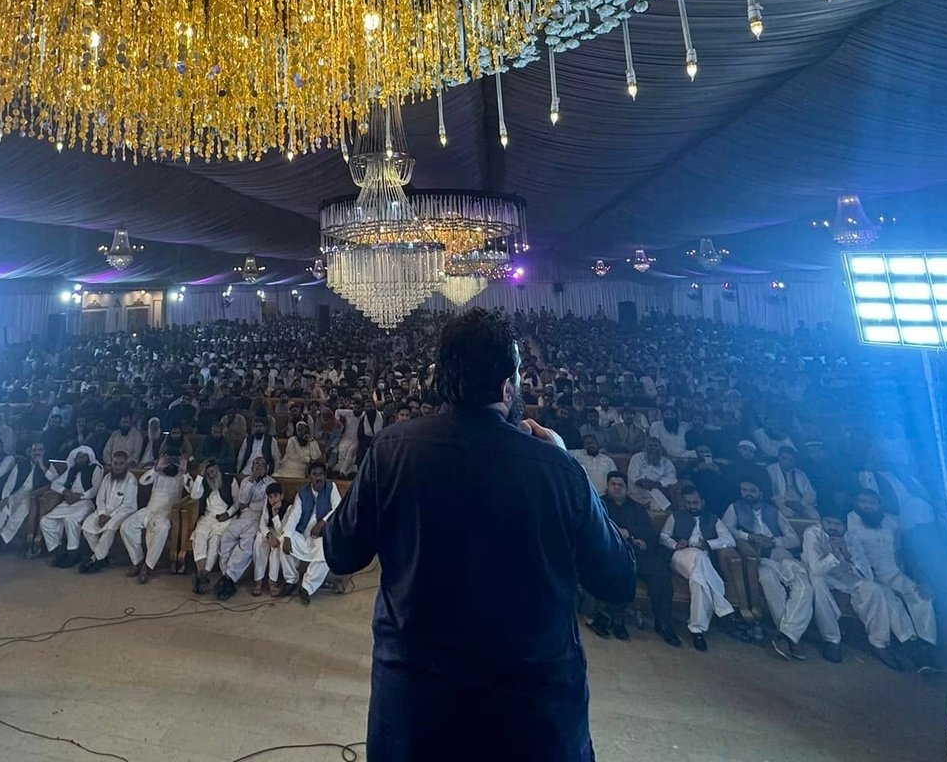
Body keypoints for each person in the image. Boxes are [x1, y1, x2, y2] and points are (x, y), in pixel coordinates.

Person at [324, 308, 634, 762]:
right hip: (530, 721)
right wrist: (571, 470)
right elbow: (617, 580)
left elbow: (340, 552)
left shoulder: (391, 451)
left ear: (444, 378)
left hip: (416, 714)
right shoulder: (557, 469)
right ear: (508, 387)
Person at [804, 509, 914, 666]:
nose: (833, 528)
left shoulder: (851, 537)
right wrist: (834, 555)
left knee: (875, 589)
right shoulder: (813, 533)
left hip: (846, 576)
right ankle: (831, 639)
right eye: (828, 523)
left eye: (838, 524)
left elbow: (866, 573)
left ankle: (879, 643)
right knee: (818, 582)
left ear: (845, 525)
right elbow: (815, 569)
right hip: (822, 575)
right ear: (822, 522)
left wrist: (847, 553)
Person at [723, 478, 812, 660]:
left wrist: (773, 541)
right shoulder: (734, 507)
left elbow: (794, 538)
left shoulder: (773, 511)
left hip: (781, 556)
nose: (747, 494)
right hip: (758, 558)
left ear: (761, 493)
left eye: (752, 490)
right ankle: (791, 638)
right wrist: (749, 536)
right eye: (744, 490)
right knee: (768, 581)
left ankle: (785, 636)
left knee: (804, 586)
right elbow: (725, 529)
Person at [847, 489, 938, 667]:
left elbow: (907, 548)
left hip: (895, 571)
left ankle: (927, 644)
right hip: (870, 574)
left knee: (921, 597)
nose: (867, 506)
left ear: (880, 505)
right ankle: (909, 642)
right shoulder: (852, 521)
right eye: (862, 502)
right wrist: (871, 578)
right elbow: (857, 556)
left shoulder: (892, 521)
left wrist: (920, 578)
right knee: (889, 599)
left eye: (872, 503)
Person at [593, 472, 681, 646]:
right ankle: (618, 619)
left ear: (626, 489)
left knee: (661, 575)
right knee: (618, 570)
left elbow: (648, 533)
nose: (617, 488)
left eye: (621, 485)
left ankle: (662, 622)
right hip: (612, 551)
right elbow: (596, 527)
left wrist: (631, 534)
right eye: (613, 484)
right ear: (608, 486)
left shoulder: (637, 508)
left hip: (640, 552)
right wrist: (620, 533)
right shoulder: (599, 504)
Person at [660, 484, 740, 650]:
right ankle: (723, 608)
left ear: (702, 502)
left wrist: (708, 544)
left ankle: (697, 630)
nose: (691, 506)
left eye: (694, 502)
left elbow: (729, 540)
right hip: (679, 557)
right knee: (699, 556)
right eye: (688, 503)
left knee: (698, 580)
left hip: (702, 562)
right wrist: (675, 544)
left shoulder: (713, 519)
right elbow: (663, 537)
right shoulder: (676, 516)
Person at [123, 451, 190, 583]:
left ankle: (147, 567)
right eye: (167, 460)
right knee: (126, 526)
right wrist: (156, 469)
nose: (170, 464)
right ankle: (138, 561)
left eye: (173, 461)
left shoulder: (181, 476)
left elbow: (193, 492)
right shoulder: (158, 473)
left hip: (166, 513)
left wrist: (185, 471)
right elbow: (142, 481)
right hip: (149, 510)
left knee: (163, 527)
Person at [278, 460, 338, 604]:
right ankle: (291, 580)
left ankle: (307, 587)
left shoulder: (331, 487)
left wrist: (322, 523)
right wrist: (286, 537)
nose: (319, 478)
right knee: (283, 541)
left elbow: (338, 508)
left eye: (321, 474)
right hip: (304, 534)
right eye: (315, 474)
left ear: (325, 476)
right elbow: (293, 517)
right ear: (309, 477)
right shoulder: (302, 493)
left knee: (327, 549)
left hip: (321, 536)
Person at [214, 454, 270, 600]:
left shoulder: (270, 483)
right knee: (227, 536)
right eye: (256, 465)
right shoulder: (246, 481)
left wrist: (263, 524)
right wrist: (252, 480)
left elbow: (265, 508)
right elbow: (242, 502)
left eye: (262, 465)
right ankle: (227, 576)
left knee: (246, 544)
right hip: (243, 516)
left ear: (267, 468)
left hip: (258, 518)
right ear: (252, 467)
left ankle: (228, 579)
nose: (259, 467)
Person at [0, 443, 47, 559]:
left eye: (40, 450)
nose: (37, 453)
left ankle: (3, 537)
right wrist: (4, 498)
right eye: (34, 450)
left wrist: (41, 465)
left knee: (23, 509)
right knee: (1, 514)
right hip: (17, 493)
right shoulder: (22, 464)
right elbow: (9, 483)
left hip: (32, 496)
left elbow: (53, 480)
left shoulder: (47, 466)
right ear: (30, 452)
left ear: (44, 452)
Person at [79, 450, 139, 573]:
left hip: (123, 512)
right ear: (112, 463)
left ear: (126, 464)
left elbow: (128, 504)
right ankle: (102, 558)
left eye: (121, 464)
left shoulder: (131, 480)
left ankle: (94, 558)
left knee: (110, 528)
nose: (117, 467)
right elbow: (100, 498)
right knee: (87, 527)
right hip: (104, 511)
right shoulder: (107, 478)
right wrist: (102, 514)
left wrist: (110, 516)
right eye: (115, 463)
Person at [39, 445, 99, 566]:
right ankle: (58, 551)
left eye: (83, 457)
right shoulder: (72, 469)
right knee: (45, 521)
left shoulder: (96, 468)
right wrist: (65, 492)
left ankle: (73, 553)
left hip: (85, 502)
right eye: (78, 457)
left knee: (70, 520)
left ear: (88, 458)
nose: (80, 459)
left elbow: (95, 489)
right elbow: (55, 484)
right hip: (69, 502)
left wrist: (80, 496)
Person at [187, 458, 235, 594]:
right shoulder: (204, 482)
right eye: (208, 472)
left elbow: (238, 502)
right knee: (200, 536)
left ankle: (204, 575)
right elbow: (195, 495)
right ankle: (201, 573)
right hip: (207, 517)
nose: (211, 474)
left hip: (224, 519)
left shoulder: (230, 481)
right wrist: (200, 476)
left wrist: (228, 513)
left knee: (215, 542)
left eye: (212, 471)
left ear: (218, 470)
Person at [251, 480, 289, 597]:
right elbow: (262, 524)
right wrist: (268, 535)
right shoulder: (266, 504)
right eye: (270, 497)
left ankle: (272, 581)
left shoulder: (289, 507)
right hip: (269, 531)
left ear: (281, 496)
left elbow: (281, 530)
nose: (273, 500)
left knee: (277, 545)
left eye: (276, 496)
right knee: (259, 540)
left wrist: (275, 514)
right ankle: (258, 580)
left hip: (281, 532)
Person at [766, 445, 818, 520]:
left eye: (790, 460)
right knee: (788, 513)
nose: (787, 462)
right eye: (784, 458)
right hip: (781, 503)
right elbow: (771, 494)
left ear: (794, 461)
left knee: (814, 515)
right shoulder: (770, 470)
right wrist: (784, 502)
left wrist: (802, 503)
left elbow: (811, 493)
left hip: (800, 503)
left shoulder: (800, 474)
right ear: (779, 457)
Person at [628, 435, 678, 512]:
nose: (653, 448)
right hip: (638, 492)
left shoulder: (665, 462)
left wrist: (658, 483)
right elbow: (632, 476)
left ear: (660, 448)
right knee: (653, 490)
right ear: (645, 447)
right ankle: (667, 507)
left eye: (655, 445)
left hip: (659, 491)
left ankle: (664, 511)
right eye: (650, 445)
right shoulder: (637, 457)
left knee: (655, 496)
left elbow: (671, 477)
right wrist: (644, 482)